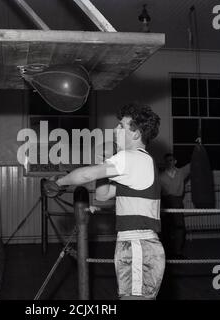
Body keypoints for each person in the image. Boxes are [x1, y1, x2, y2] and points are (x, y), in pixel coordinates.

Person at [43, 103, 165, 300]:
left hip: (137, 246)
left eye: (121, 126)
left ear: (135, 134)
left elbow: (85, 175)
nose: (115, 129)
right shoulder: (141, 163)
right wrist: (105, 161)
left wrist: (59, 182)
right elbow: (103, 194)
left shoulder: (131, 157)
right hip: (136, 245)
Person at [159, 154, 190, 259]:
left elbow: (193, 163)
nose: (169, 162)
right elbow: (158, 193)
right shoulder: (160, 176)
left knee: (179, 227)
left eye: (171, 160)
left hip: (177, 202)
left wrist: (199, 146)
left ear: (175, 161)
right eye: (167, 161)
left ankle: (178, 252)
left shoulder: (181, 173)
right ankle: (167, 253)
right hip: (165, 202)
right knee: (166, 229)